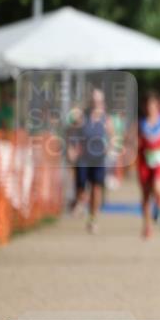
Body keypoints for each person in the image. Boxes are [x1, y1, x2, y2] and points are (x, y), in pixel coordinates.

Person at [67, 88, 114, 234]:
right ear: (90, 101)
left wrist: (109, 148)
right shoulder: (81, 117)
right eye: (94, 100)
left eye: (99, 100)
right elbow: (71, 132)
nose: (96, 103)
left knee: (96, 188)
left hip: (99, 158)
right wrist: (71, 148)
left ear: (102, 102)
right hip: (84, 157)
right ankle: (80, 202)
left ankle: (93, 219)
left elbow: (112, 136)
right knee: (81, 186)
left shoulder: (106, 119)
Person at [136, 93, 160, 239]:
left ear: (157, 106)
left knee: (158, 188)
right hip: (144, 162)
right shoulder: (140, 123)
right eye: (148, 105)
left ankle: (159, 209)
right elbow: (132, 140)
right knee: (145, 195)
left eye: (153, 105)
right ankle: (147, 226)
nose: (150, 108)